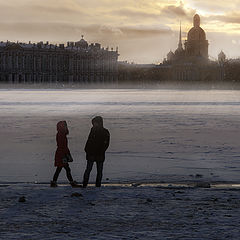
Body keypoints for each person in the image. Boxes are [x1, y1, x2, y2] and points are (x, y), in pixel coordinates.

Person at [51, 121, 80, 187]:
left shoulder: (61, 134)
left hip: (61, 153)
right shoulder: (61, 134)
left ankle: (54, 182)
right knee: (66, 168)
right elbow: (62, 146)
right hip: (62, 154)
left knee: (60, 168)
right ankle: (72, 183)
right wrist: (66, 155)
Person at [83, 116, 110, 188]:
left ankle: (98, 186)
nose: (94, 124)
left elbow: (106, 144)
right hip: (91, 153)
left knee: (99, 171)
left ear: (99, 123)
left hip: (99, 154)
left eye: (95, 123)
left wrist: (101, 151)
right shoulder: (93, 130)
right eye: (94, 123)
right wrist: (86, 149)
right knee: (88, 170)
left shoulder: (105, 132)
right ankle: (84, 185)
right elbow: (89, 140)